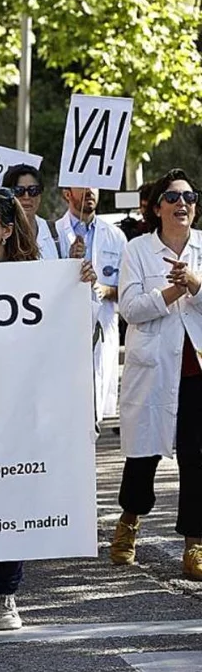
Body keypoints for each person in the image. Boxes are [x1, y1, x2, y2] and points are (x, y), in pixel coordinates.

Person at [0, 187, 97, 653]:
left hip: (18, 424)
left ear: (8, 230)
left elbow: (75, 336)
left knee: (12, 511)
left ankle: (5, 591)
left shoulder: (38, 282)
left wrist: (78, 288)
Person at [110, 169, 202, 579]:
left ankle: (195, 543)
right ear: (156, 207)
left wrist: (197, 285)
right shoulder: (138, 251)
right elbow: (129, 309)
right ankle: (129, 519)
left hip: (196, 369)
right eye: (172, 197)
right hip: (154, 369)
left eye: (189, 196)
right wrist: (172, 292)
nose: (181, 203)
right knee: (143, 453)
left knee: (198, 458)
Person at [56, 185, 127, 419]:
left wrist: (104, 289)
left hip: (102, 328)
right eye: (82, 184)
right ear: (67, 193)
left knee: (95, 411)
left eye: (94, 185)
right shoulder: (53, 233)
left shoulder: (115, 236)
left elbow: (130, 288)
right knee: (66, 408)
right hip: (64, 332)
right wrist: (69, 264)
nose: (90, 190)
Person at [0, 164, 59, 259]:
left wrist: (74, 258)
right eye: (19, 191)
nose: (26, 197)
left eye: (33, 190)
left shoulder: (55, 232)